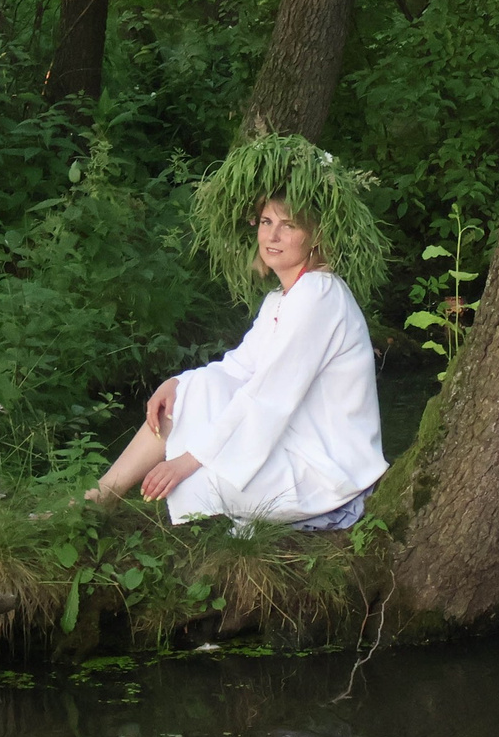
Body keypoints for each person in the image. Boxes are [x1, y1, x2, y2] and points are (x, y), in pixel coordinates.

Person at [88, 151, 388, 527]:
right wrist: (176, 384)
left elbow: (269, 396)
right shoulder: (282, 299)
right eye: (266, 222)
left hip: (326, 469)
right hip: (292, 443)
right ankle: (102, 496)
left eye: (288, 225)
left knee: (192, 480)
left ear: (315, 235)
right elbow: (238, 369)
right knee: (197, 389)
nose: (272, 236)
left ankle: (105, 500)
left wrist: (188, 459)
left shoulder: (320, 295)